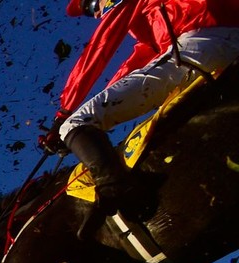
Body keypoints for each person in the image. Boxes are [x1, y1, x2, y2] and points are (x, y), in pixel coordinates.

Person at [42, 0, 239, 221]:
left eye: (93, 5)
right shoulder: (153, 17)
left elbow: (101, 45)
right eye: (90, 13)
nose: (96, 14)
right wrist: (101, 103)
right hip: (214, 43)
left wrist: (65, 112)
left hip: (203, 43)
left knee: (76, 124)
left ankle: (124, 196)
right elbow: (139, 62)